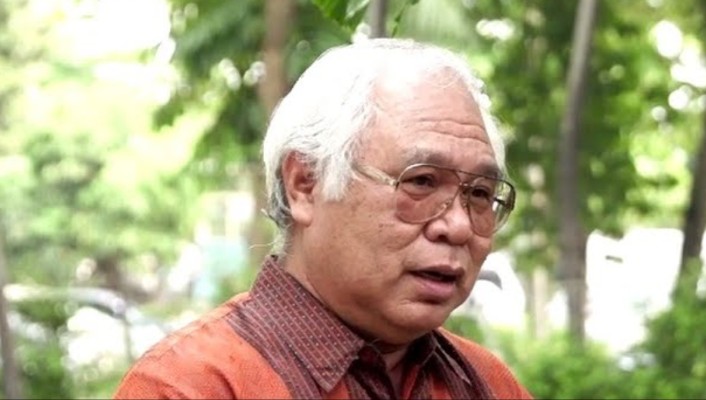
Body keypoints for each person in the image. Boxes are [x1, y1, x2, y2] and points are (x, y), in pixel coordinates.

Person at [114, 38, 531, 399]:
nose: (458, 226)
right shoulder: (193, 386)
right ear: (305, 184)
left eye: (479, 194)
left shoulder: (488, 383)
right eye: (421, 181)